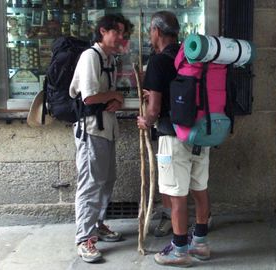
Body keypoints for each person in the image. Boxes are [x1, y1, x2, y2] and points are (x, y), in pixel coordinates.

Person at [137, 11, 211, 267]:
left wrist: (145, 121)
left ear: (157, 31)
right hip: (200, 134)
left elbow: (155, 109)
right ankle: (199, 243)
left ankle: (179, 250)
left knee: (177, 195)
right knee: (200, 189)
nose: (150, 35)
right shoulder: (190, 56)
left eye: (150, 31)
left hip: (173, 135)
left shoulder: (158, 62)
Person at [69, 14, 132, 263]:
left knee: (106, 180)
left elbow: (107, 97)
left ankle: (97, 225)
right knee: (91, 183)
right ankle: (84, 239)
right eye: (117, 32)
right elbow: (89, 97)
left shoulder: (109, 59)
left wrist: (116, 99)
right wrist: (114, 95)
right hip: (91, 130)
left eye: (123, 34)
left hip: (107, 128)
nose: (121, 38)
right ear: (102, 31)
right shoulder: (90, 57)